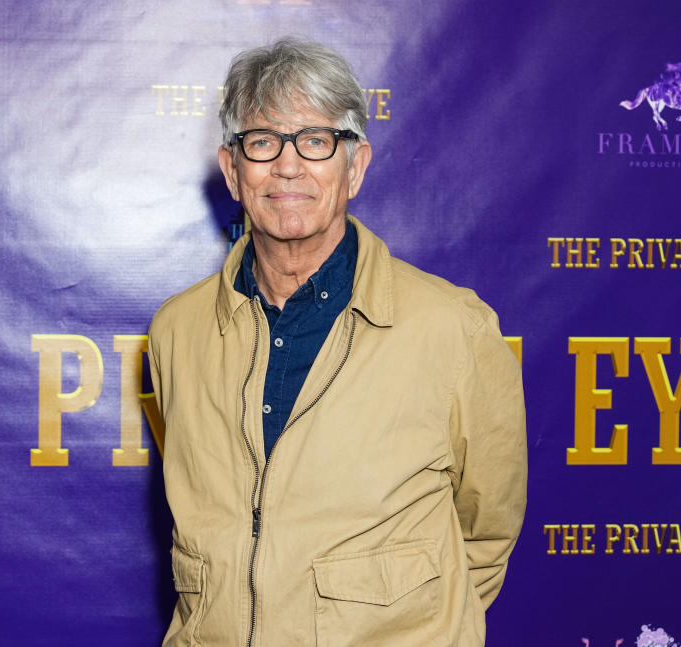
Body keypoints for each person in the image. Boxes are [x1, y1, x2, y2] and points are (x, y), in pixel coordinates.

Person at [148, 38, 526, 647]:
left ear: (356, 167)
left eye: (316, 141)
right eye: (262, 142)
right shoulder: (176, 331)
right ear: (232, 170)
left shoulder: (454, 328)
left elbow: (484, 535)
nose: (289, 166)